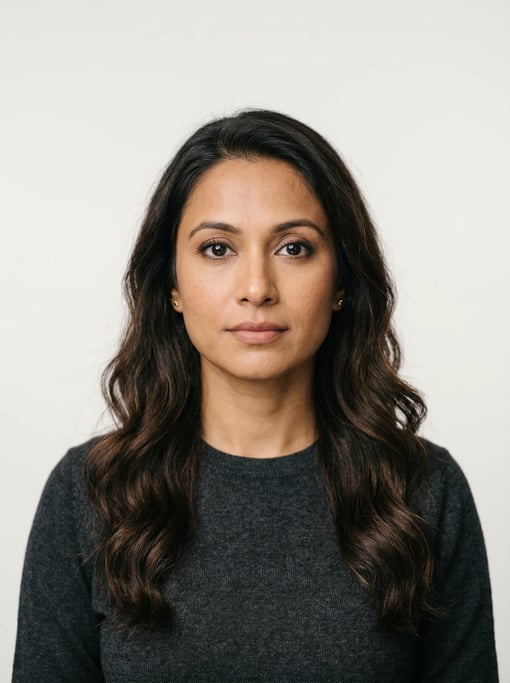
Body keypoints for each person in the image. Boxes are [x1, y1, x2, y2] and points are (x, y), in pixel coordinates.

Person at [13, 110, 498, 682]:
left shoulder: (423, 491)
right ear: (171, 285)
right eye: (218, 249)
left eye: (293, 248)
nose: (257, 289)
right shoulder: (87, 493)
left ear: (341, 281)